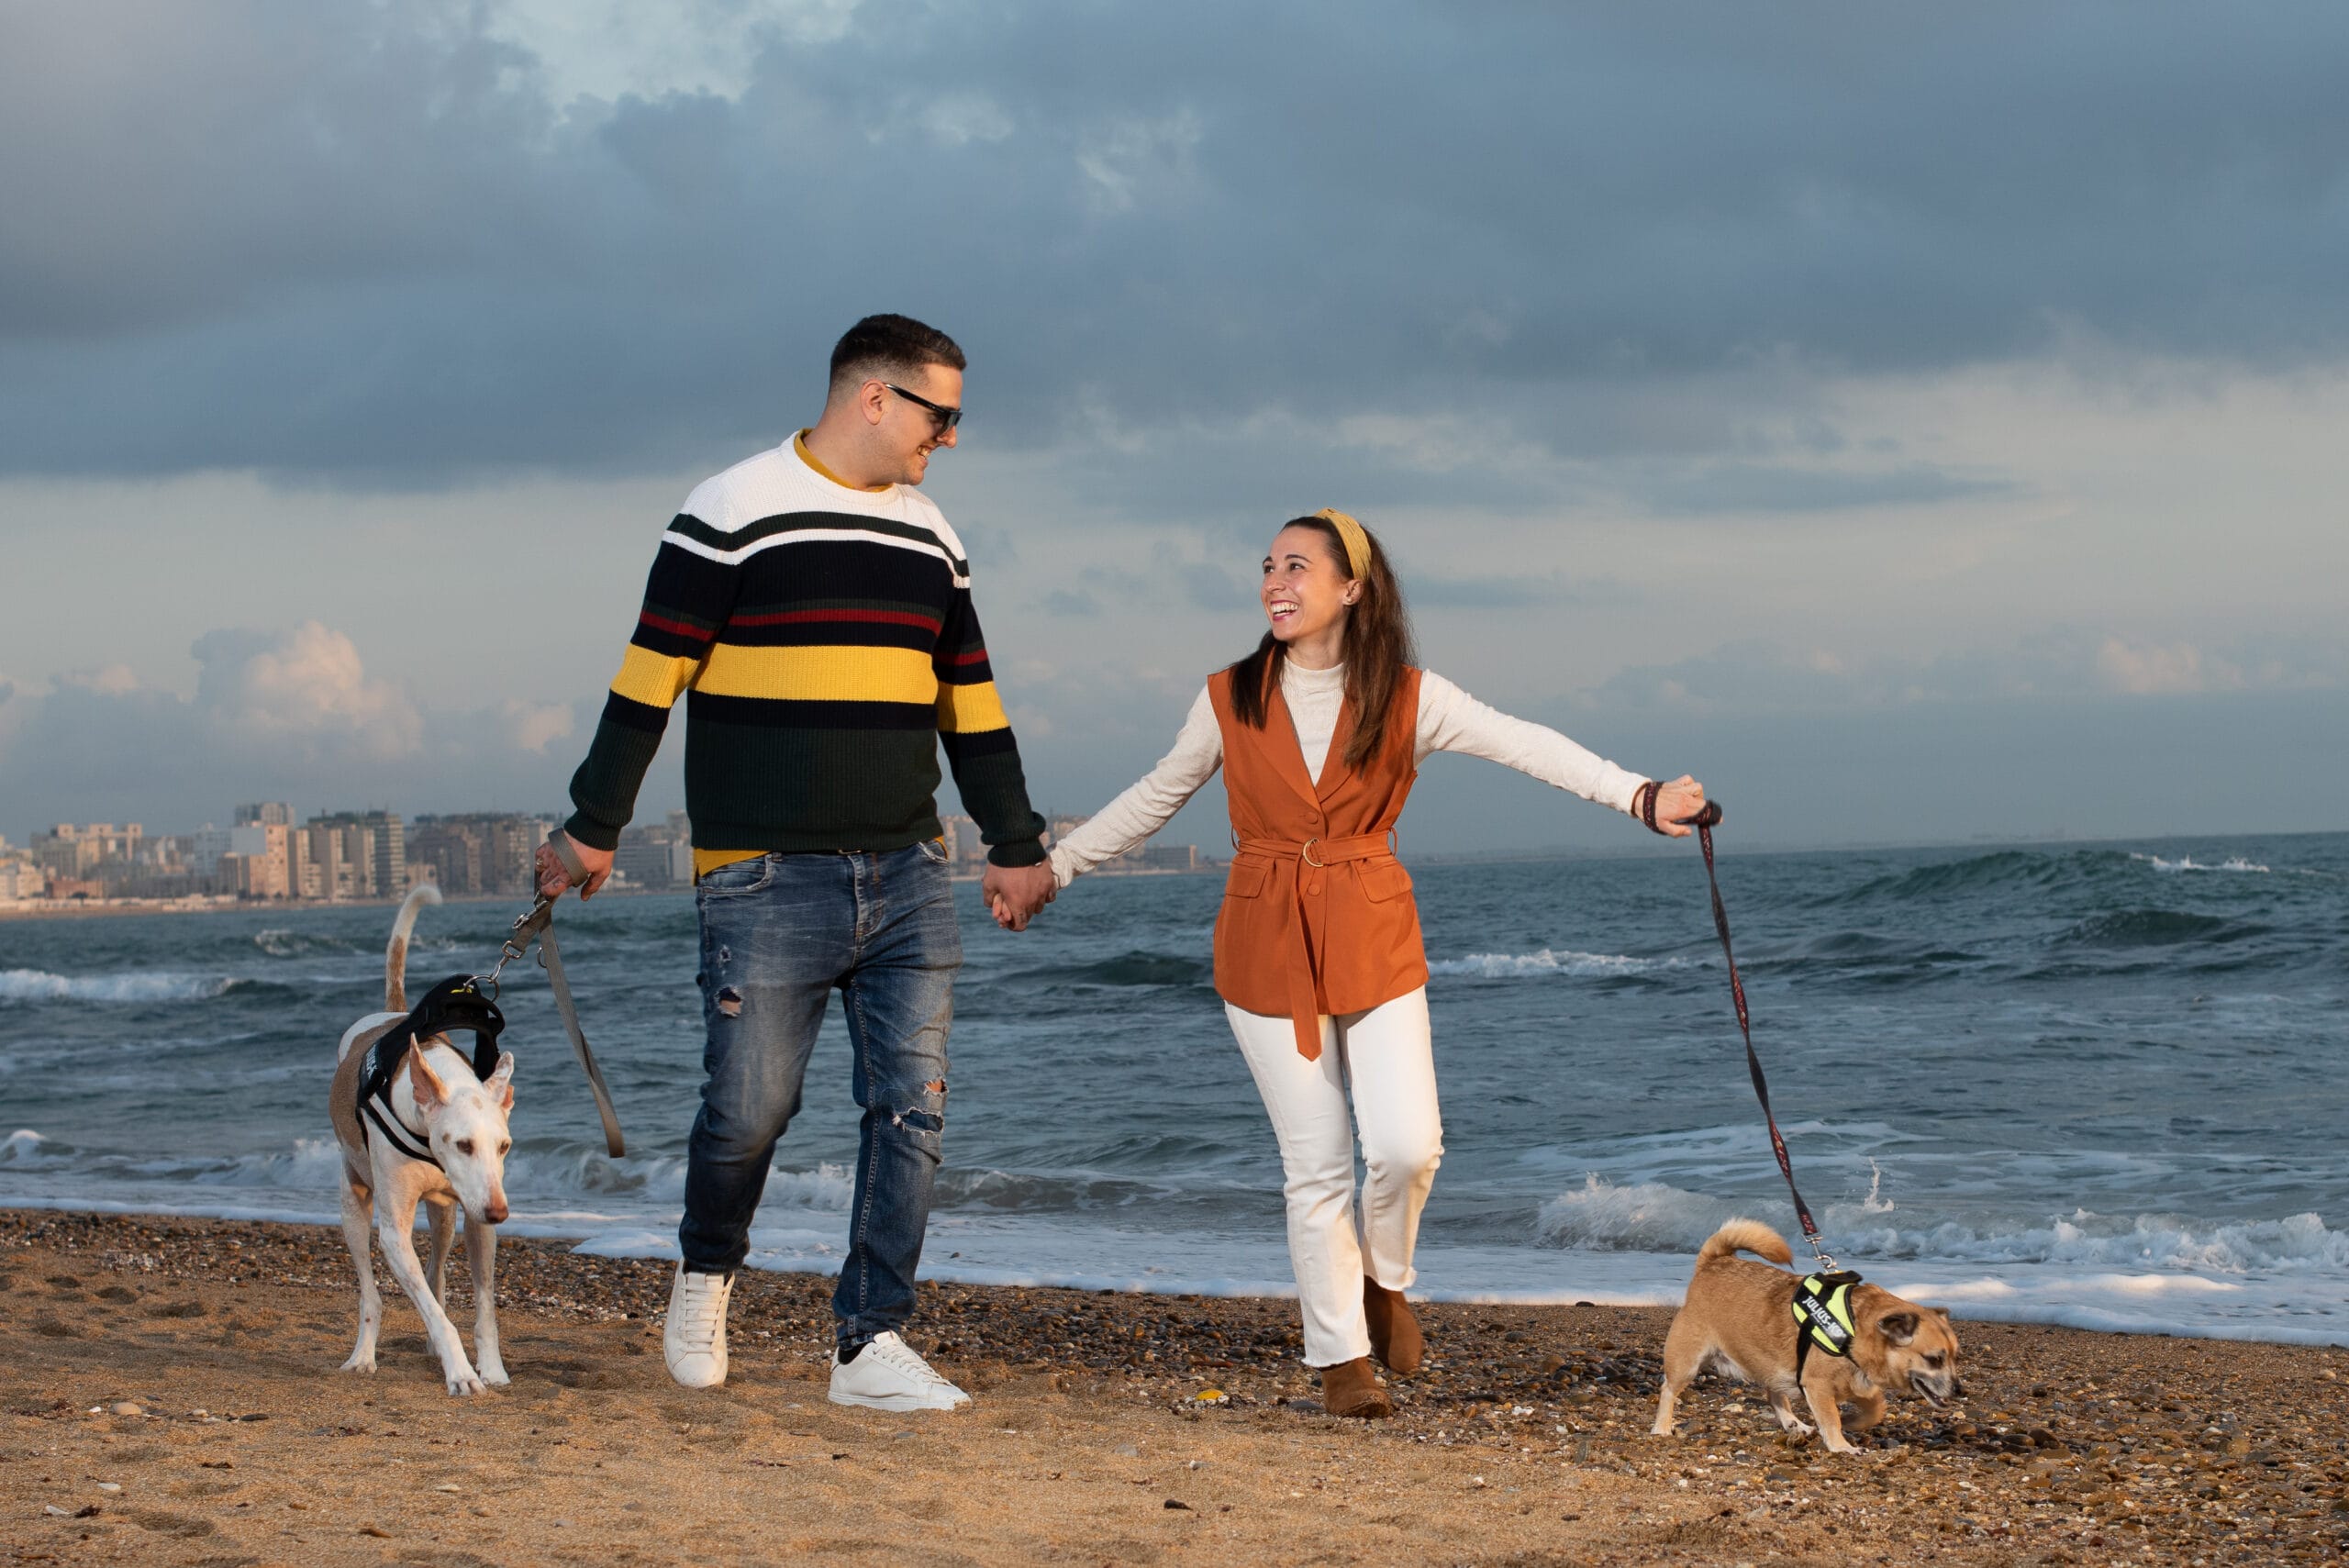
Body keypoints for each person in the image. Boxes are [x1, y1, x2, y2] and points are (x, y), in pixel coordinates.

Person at [1040, 509, 1706, 1418]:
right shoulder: (1229, 693)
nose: (1276, 579)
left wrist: (1639, 794)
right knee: (1313, 1163)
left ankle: (1383, 1280)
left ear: (1351, 588)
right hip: (1263, 939)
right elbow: (1157, 793)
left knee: (1406, 1144)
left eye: (1299, 566)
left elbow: (1526, 743)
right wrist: (1055, 866)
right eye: (1268, 565)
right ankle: (1339, 1355)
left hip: (1374, 929)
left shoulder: (1409, 694)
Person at [535, 314, 1061, 1411]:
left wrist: (1015, 845)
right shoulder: (729, 511)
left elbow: (971, 703)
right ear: (873, 397)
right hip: (764, 874)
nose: (950, 437)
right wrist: (595, 822)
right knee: (748, 1112)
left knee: (911, 1108)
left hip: (908, 872)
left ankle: (868, 1341)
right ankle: (705, 1272)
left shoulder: (934, 535)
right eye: (940, 413)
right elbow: (648, 681)